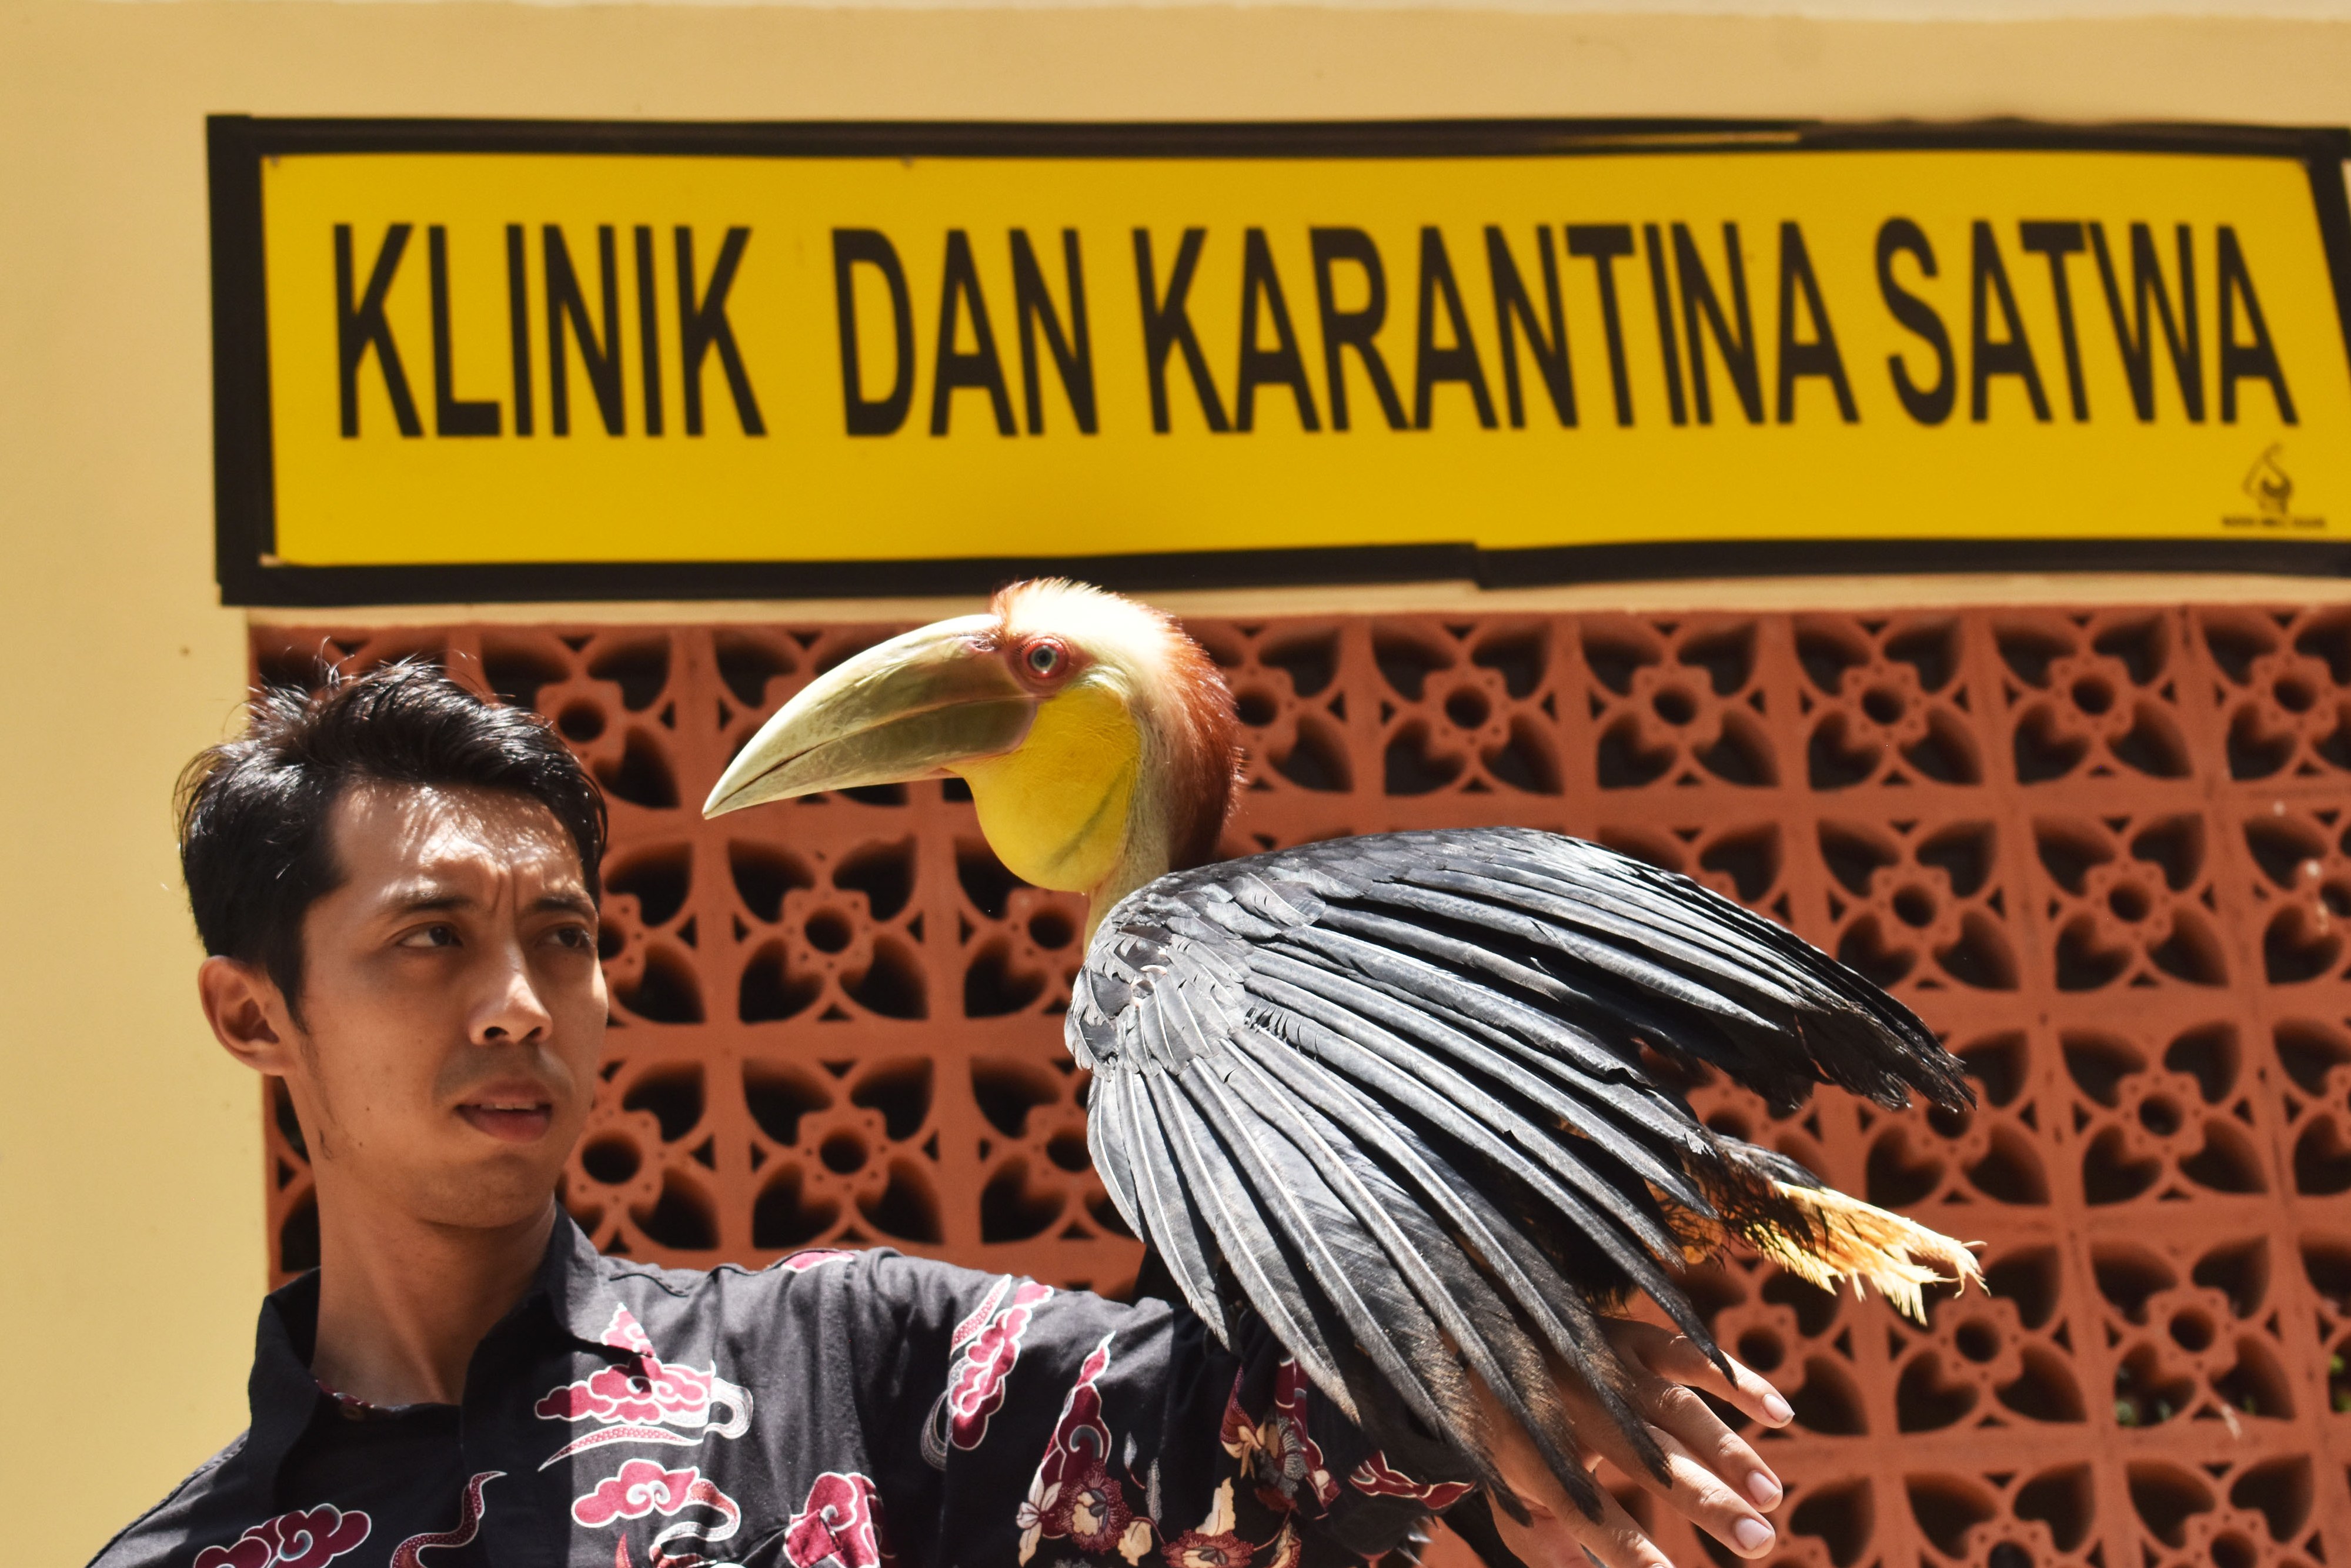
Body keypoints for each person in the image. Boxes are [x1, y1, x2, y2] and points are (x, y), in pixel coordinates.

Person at [93, 662, 1794, 1568]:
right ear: (255, 1011)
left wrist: (1478, 1370)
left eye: (566, 938)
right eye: (430, 938)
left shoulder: (853, 1365)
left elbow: (1242, 1438)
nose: (521, 999)